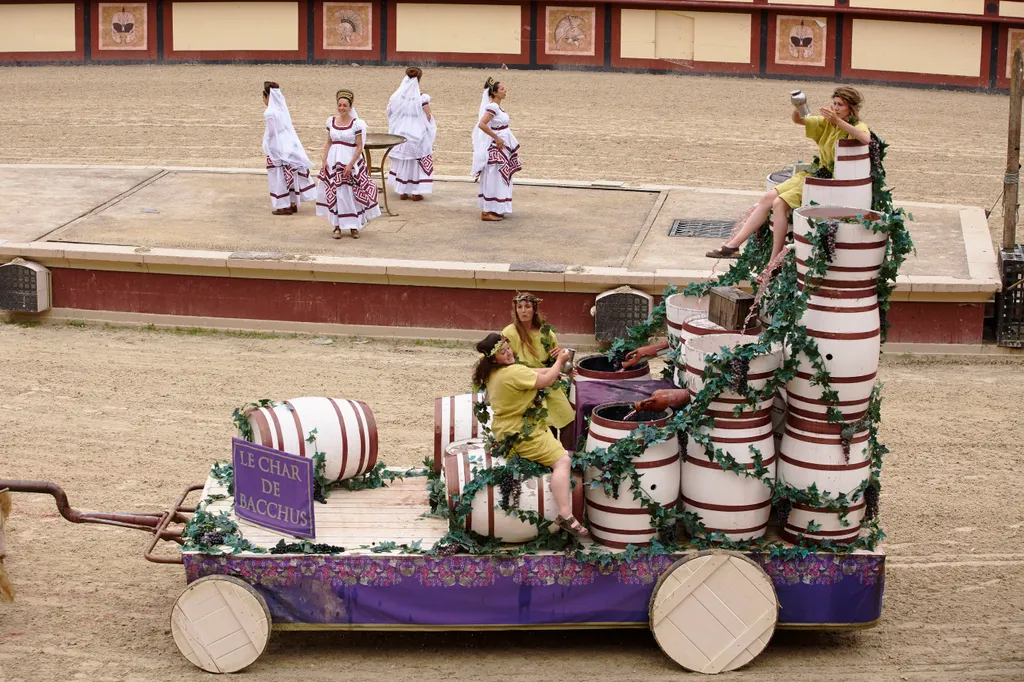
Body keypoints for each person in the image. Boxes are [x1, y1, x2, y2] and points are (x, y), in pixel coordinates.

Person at [705, 87, 871, 261]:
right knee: (767, 198)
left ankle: (774, 259)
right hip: (815, 175)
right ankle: (733, 246)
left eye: (840, 105)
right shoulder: (826, 122)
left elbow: (865, 138)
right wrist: (799, 105)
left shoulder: (857, 125)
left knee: (779, 203)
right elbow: (799, 119)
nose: (835, 108)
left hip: (828, 182)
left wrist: (838, 121)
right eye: (834, 103)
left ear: (851, 108)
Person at [472, 333, 588, 537]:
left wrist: (558, 370)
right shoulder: (512, 372)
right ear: (493, 358)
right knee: (563, 461)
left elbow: (530, 371)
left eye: (507, 347)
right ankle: (565, 513)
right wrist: (560, 361)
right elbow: (544, 380)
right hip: (524, 434)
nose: (508, 352)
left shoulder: (493, 372)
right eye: (502, 351)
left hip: (505, 432)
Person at [500, 293, 574, 435]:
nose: (523, 311)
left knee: (567, 416)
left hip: (548, 380)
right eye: (519, 307)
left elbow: (555, 362)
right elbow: (503, 360)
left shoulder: (546, 333)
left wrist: (558, 354)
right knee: (544, 423)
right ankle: (551, 454)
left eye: (527, 307)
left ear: (534, 310)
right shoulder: (509, 333)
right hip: (525, 383)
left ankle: (568, 454)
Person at [316, 89, 381, 239]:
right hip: (333, 162)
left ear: (350, 107)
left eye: (344, 105)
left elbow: (359, 146)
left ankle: (354, 226)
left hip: (349, 161)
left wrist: (351, 164)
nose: (341, 108)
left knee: (351, 193)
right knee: (335, 192)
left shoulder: (356, 124)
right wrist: (324, 159)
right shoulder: (331, 121)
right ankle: (337, 226)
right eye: (339, 105)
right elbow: (328, 142)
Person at [262, 82, 316, 215]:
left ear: (267, 96)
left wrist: (267, 144)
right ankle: (292, 202)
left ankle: (283, 205)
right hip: (289, 144)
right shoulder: (281, 109)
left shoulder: (270, 112)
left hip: (278, 146)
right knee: (291, 173)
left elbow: (271, 132)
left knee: (279, 175)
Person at [471, 77, 520, 222]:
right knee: (494, 177)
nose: (505, 91)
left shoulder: (497, 108)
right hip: (497, 147)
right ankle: (488, 211)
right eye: (502, 89)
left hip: (503, 146)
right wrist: (496, 138)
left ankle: (497, 208)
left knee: (499, 178)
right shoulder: (492, 107)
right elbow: (482, 124)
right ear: (494, 93)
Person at [386, 67, 437, 201]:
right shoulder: (421, 98)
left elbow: (390, 113)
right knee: (415, 162)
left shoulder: (397, 97)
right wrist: (427, 128)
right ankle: (415, 191)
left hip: (401, 132)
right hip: (416, 133)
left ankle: (402, 190)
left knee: (403, 161)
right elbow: (427, 115)